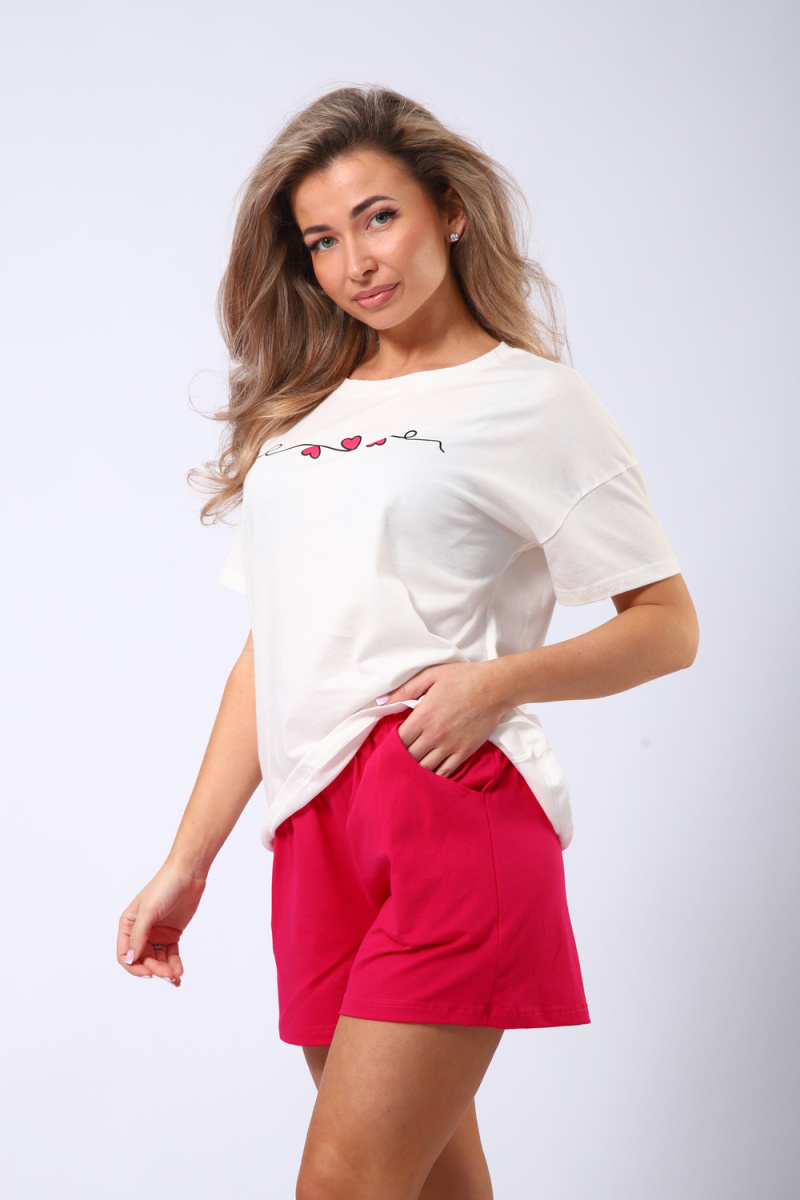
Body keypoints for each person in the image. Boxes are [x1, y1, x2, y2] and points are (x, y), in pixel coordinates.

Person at [117, 84, 699, 1199]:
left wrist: (497, 684)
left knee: (344, 1184)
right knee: (429, 1188)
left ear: (449, 210)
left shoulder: (531, 400)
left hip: (449, 804)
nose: (355, 263)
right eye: (321, 241)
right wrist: (186, 863)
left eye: (377, 217)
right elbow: (272, 652)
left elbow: (668, 626)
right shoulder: (306, 418)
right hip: (313, 827)